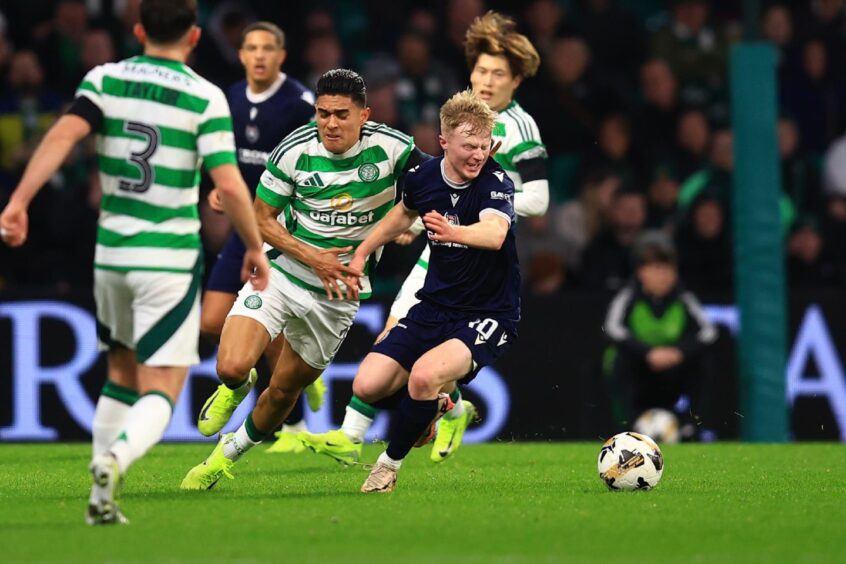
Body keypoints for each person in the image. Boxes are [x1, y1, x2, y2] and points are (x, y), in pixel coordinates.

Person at [0, 0, 270, 524]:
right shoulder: (203, 96)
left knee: (120, 374)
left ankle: (102, 498)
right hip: (166, 258)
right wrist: (254, 246)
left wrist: (17, 202)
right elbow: (228, 182)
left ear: (139, 29)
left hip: (112, 255)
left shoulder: (105, 80)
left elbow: (62, 135)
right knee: (163, 385)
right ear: (194, 37)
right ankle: (116, 460)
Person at [300, 10, 547, 465]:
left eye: (498, 73)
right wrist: (419, 223)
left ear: (517, 80)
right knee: (401, 329)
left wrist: (492, 209)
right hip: (444, 242)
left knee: (434, 356)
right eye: (480, 70)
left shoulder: (519, 128)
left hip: (482, 251)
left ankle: (438, 410)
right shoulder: (463, 121)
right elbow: (425, 197)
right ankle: (353, 433)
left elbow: (541, 199)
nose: (486, 80)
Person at [179, 68, 429, 490]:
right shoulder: (293, 149)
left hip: (338, 297)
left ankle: (221, 460)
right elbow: (262, 219)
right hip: (284, 274)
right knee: (231, 364)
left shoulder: (396, 150)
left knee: (282, 393)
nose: (330, 123)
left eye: (341, 115)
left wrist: (412, 225)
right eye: (323, 113)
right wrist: (315, 257)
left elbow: (434, 191)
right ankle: (236, 386)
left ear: (364, 115)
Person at [345, 89, 519, 492]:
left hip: (488, 313)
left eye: (483, 146)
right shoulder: (423, 177)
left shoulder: (495, 182)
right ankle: (432, 409)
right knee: (366, 386)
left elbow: (495, 233)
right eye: (468, 146)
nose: (478, 155)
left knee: (423, 377)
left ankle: (387, 468)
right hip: (434, 307)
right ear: (443, 143)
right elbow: (402, 214)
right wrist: (363, 251)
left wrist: (451, 231)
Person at [198, 21, 325, 455]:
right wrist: (219, 186)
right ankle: (250, 372)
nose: (259, 55)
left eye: (267, 48)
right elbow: (226, 157)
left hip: (278, 227)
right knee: (211, 322)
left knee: (268, 333)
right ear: (240, 54)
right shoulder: (231, 97)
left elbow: (315, 165)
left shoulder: (298, 103)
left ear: (281, 55)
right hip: (242, 224)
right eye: (251, 47)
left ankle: (293, 428)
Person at [602, 233, 718, 441]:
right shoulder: (628, 298)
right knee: (615, 358)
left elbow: (709, 333)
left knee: (704, 362)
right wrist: (648, 353)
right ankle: (626, 426)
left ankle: (692, 427)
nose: (663, 275)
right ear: (641, 272)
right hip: (640, 372)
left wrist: (678, 352)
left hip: (672, 372)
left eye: (668, 269)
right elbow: (612, 329)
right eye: (656, 268)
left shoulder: (684, 299)